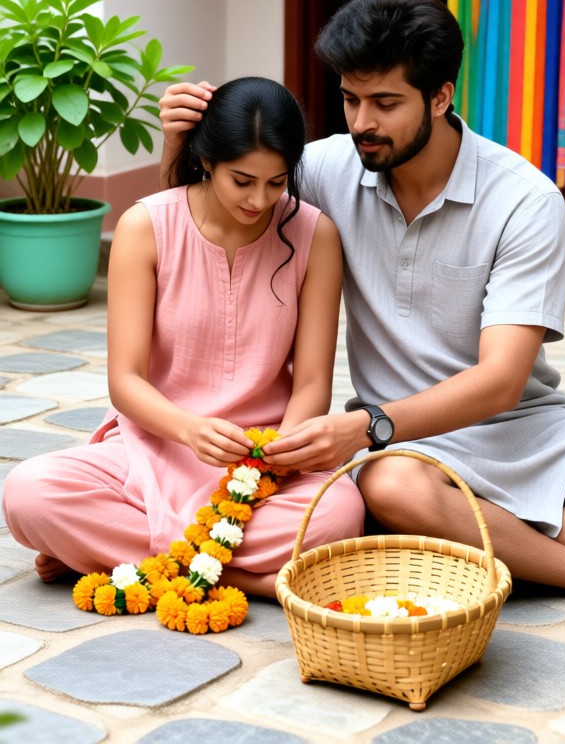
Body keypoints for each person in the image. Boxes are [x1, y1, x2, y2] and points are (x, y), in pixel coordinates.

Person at [158, 0, 565, 591]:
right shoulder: (328, 169)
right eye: (350, 99)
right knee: (389, 487)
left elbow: (502, 381)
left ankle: (514, 536)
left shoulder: (524, 200)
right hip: (410, 455)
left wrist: (366, 426)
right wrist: (181, 141)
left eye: (384, 102)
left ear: (440, 97)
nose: (361, 123)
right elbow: (215, 204)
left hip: (527, 437)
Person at [2, 76, 365, 596]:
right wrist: (191, 431)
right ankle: (251, 578)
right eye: (242, 180)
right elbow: (126, 382)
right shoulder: (145, 225)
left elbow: (311, 383)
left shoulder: (315, 235)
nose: (259, 200)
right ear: (207, 159)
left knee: (339, 513)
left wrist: (273, 458)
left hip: (260, 457)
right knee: (29, 493)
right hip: (156, 444)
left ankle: (124, 561)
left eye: (276, 182)